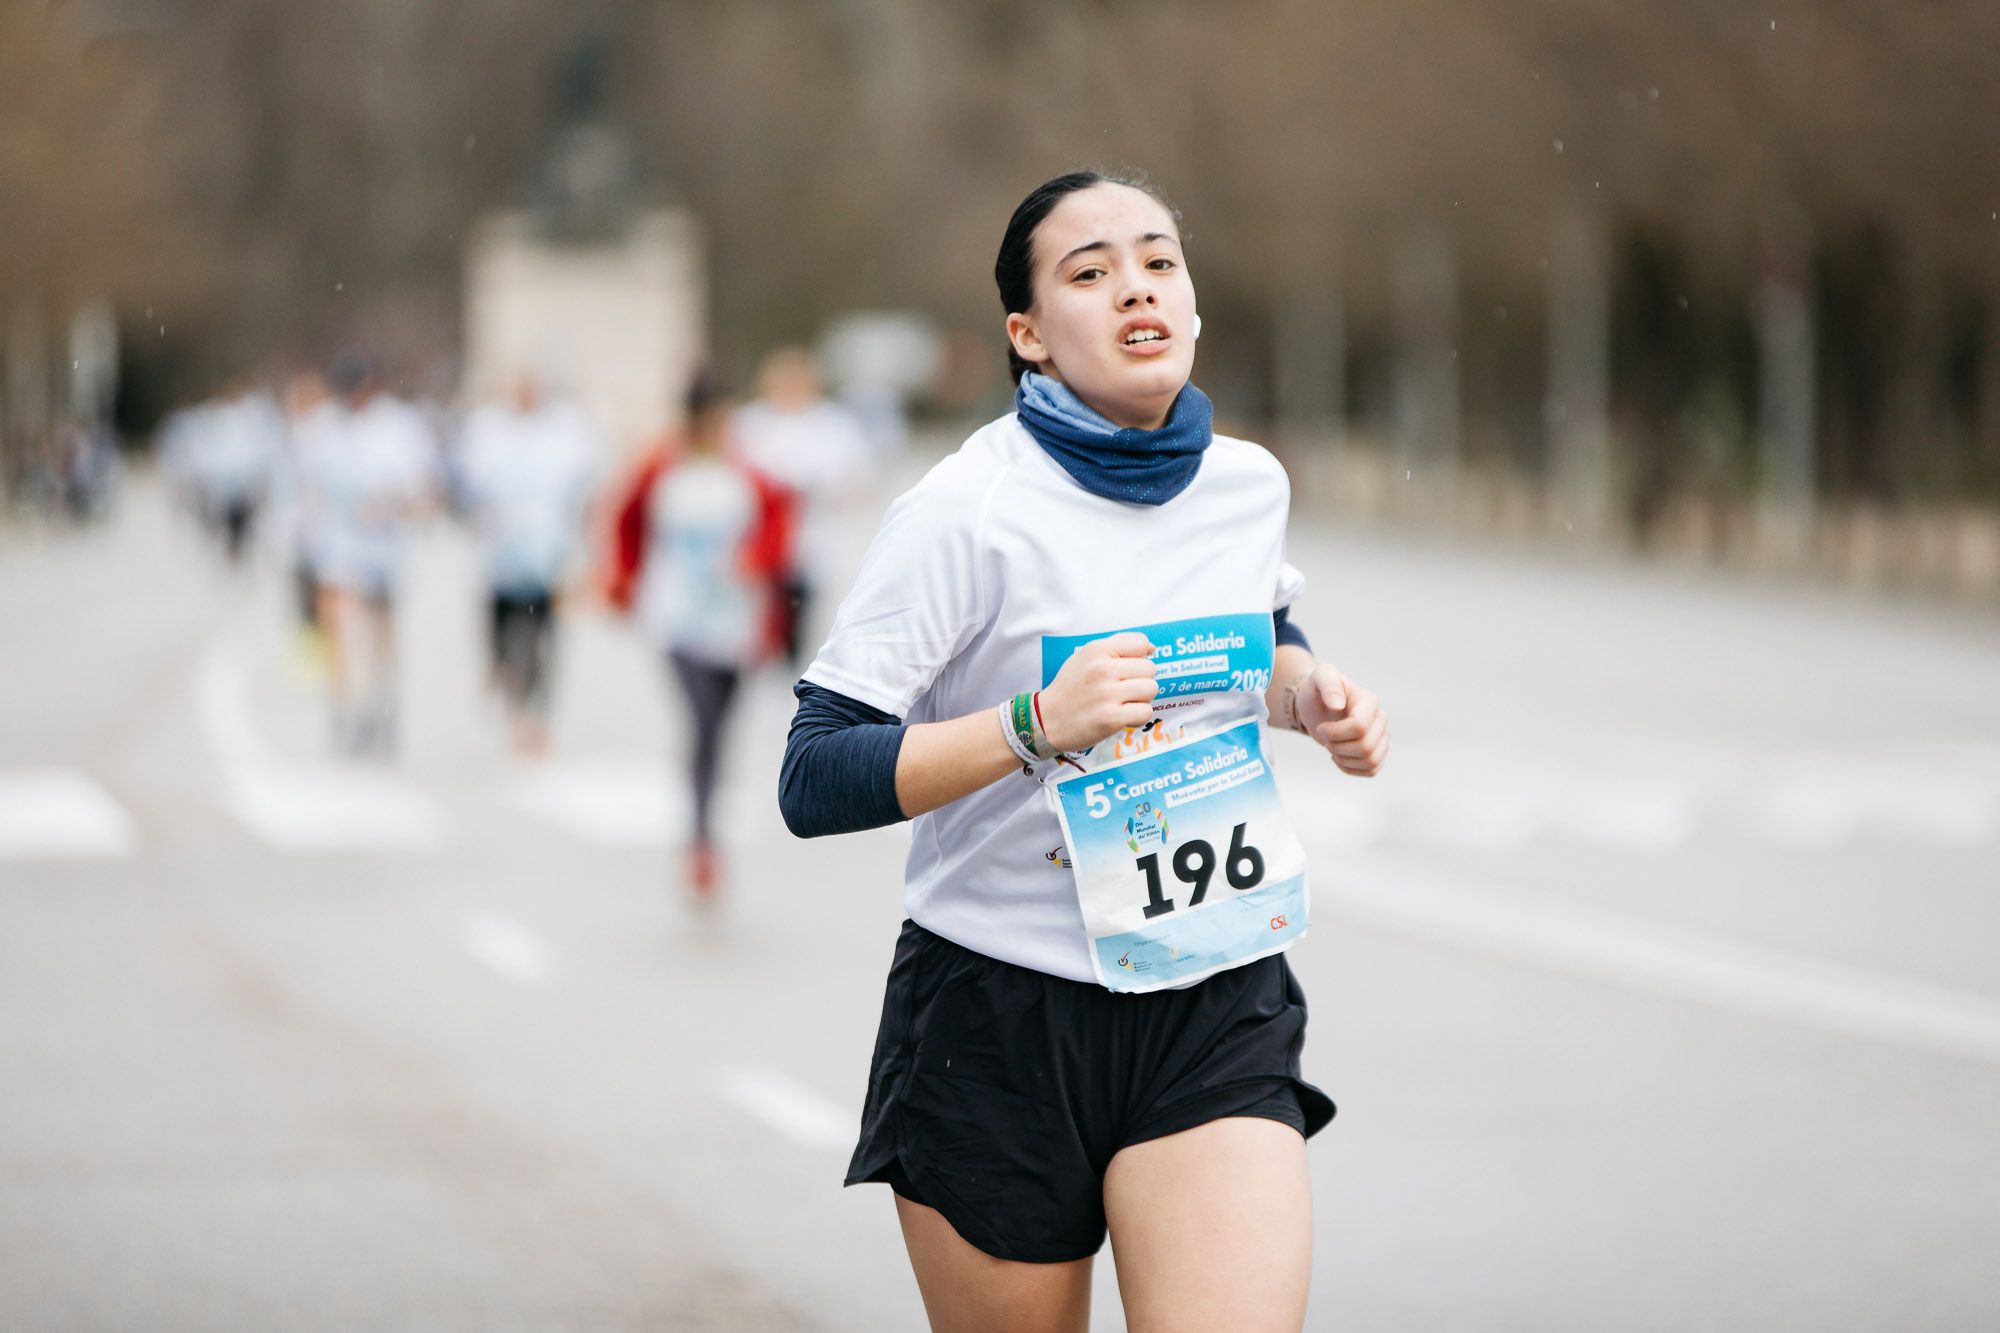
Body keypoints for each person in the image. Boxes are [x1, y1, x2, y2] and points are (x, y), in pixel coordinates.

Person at [778, 171, 1389, 1332]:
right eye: (1090, 272)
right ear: (1027, 335)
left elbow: (1257, 635)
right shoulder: (965, 510)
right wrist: (1030, 727)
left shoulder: (1244, 485)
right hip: (995, 1017)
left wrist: (1308, 695)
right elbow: (812, 773)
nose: (1134, 289)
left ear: (1193, 303)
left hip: (1211, 990)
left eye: (1158, 261)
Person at [607, 374, 793, 900]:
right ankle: (702, 842)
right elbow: (624, 522)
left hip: (736, 625)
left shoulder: (748, 471)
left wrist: (754, 561)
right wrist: (622, 583)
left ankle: (704, 826)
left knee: (721, 729)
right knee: (703, 722)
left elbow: (779, 526)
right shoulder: (660, 468)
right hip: (677, 621)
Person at [456, 373, 605, 755]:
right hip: (500, 559)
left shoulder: (562, 435)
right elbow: (469, 488)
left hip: (547, 559)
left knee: (544, 642)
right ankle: (512, 699)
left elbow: (581, 492)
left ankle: (533, 716)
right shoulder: (488, 431)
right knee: (503, 641)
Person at [300, 354, 440, 756]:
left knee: (382, 633)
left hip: (386, 549)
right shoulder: (322, 429)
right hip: (339, 550)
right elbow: (307, 492)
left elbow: (422, 489)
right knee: (342, 628)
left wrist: (392, 505)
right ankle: (348, 707)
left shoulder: (399, 428)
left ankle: (383, 705)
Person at [732, 347, 875, 667]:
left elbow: (860, 484)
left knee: (808, 627)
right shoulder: (749, 424)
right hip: (761, 544)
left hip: (813, 543)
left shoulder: (835, 426)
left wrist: (822, 493)